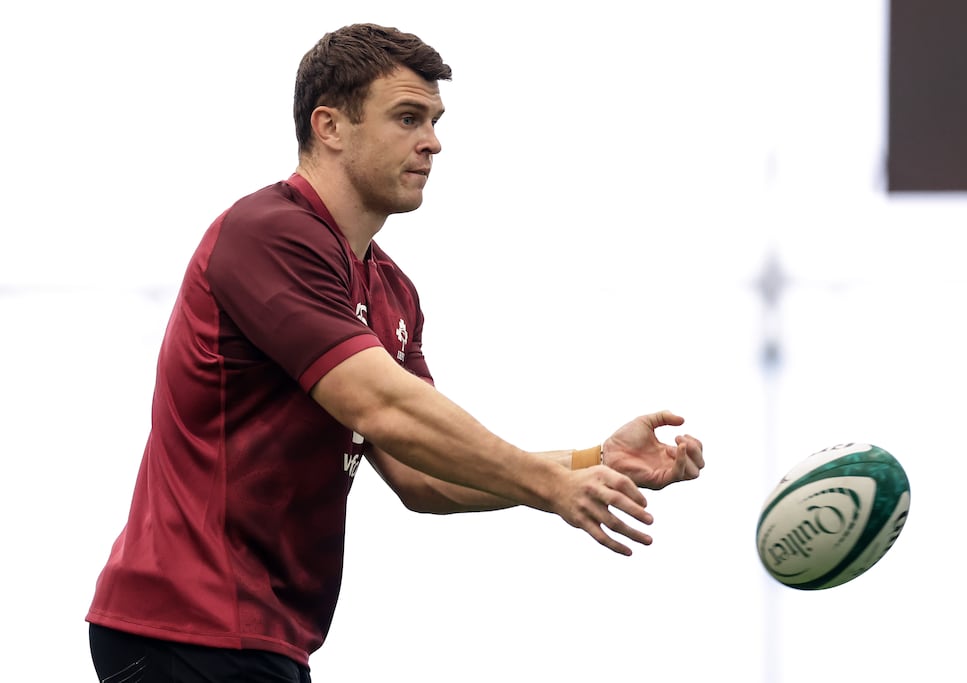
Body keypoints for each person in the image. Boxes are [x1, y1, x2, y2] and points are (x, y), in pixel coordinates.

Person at [86, 22, 705, 683]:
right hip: (183, 624)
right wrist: (550, 484)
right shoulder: (268, 233)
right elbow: (383, 407)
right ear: (330, 126)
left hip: (262, 640)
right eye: (408, 117)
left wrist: (590, 461)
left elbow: (424, 473)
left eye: (435, 121)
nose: (433, 142)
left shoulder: (391, 290)